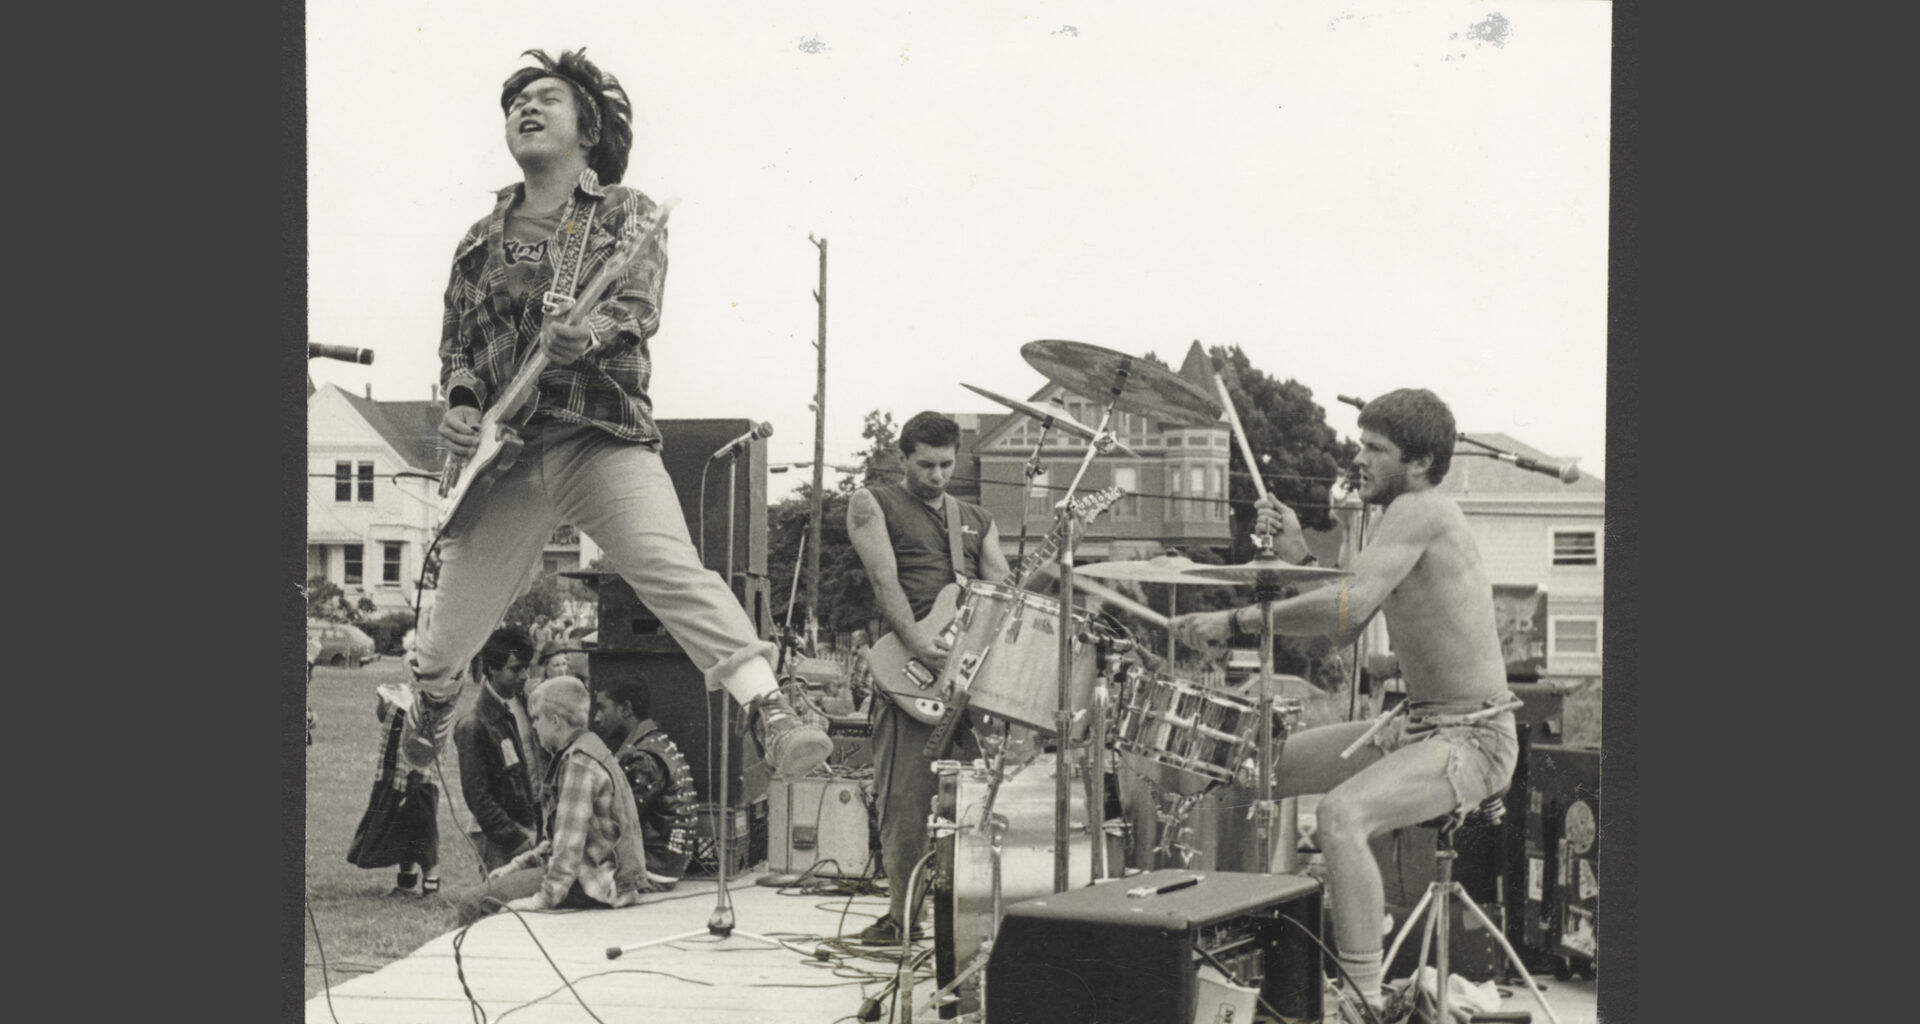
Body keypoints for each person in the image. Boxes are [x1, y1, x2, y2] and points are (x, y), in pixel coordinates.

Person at [396, 47, 829, 787]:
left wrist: (583, 335)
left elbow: (638, 307)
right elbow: (459, 353)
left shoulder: (625, 212)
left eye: (547, 98)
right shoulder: (476, 241)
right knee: (447, 638)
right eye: (514, 102)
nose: (525, 108)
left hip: (601, 436)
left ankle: (770, 709)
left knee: (672, 570)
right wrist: (463, 409)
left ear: (588, 129)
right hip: (506, 457)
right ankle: (433, 699)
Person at [1169, 389, 1519, 1022]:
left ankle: (1360, 1002)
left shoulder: (1422, 509)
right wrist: (1301, 550)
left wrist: (1237, 619)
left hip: (1476, 738)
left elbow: (1348, 606)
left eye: (1374, 448)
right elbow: (1345, 627)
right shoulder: (1397, 519)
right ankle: (1239, 953)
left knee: (1340, 816)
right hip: (1417, 727)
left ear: (1419, 462)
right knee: (1256, 767)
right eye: (1361, 442)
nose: (1358, 457)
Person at [845, 411, 1011, 947]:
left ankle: (974, 919)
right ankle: (901, 916)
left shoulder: (977, 519)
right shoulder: (874, 503)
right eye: (926, 465)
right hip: (909, 669)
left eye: (946, 464)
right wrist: (920, 643)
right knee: (905, 803)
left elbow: (1001, 587)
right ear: (903, 457)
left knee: (980, 799)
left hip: (967, 677)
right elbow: (882, 577)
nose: (937, 476)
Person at [453, 676, 654, 925]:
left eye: (536, 719)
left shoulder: (578, 763)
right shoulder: (589, 748)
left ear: (555, 722)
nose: (533, 727)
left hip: (597, 885)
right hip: (606, 880)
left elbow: (567, 850)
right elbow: (559, 841)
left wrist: (541, 900)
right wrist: (516, 866)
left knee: (473, 903)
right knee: (493, 889)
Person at [590, 676, 699, 887]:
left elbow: (613, 821)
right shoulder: (655, 743)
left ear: (626, 709)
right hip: (664, 863)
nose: (596, 718)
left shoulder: (643, 758)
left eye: (602, 708)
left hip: (651, 869)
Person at [453, 627, 546, 872]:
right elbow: (477, 796)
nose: (524, 675)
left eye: (527, 667)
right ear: (492, 668)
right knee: (499, 908)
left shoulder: (529, 703)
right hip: (500, 838)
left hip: (533, 822)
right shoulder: (473, 725)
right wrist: (515, 839)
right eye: (516, 669)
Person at [345, 680, 442, 897]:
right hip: (394, 772)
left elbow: (432, 730)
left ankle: (431, 888)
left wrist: (413, 707)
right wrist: (384, 701)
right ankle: (406, 884)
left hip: (421, 774)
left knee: (424, 829)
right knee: (401, 824)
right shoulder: (403, 688)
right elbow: (383, 717)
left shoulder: (437, 693)